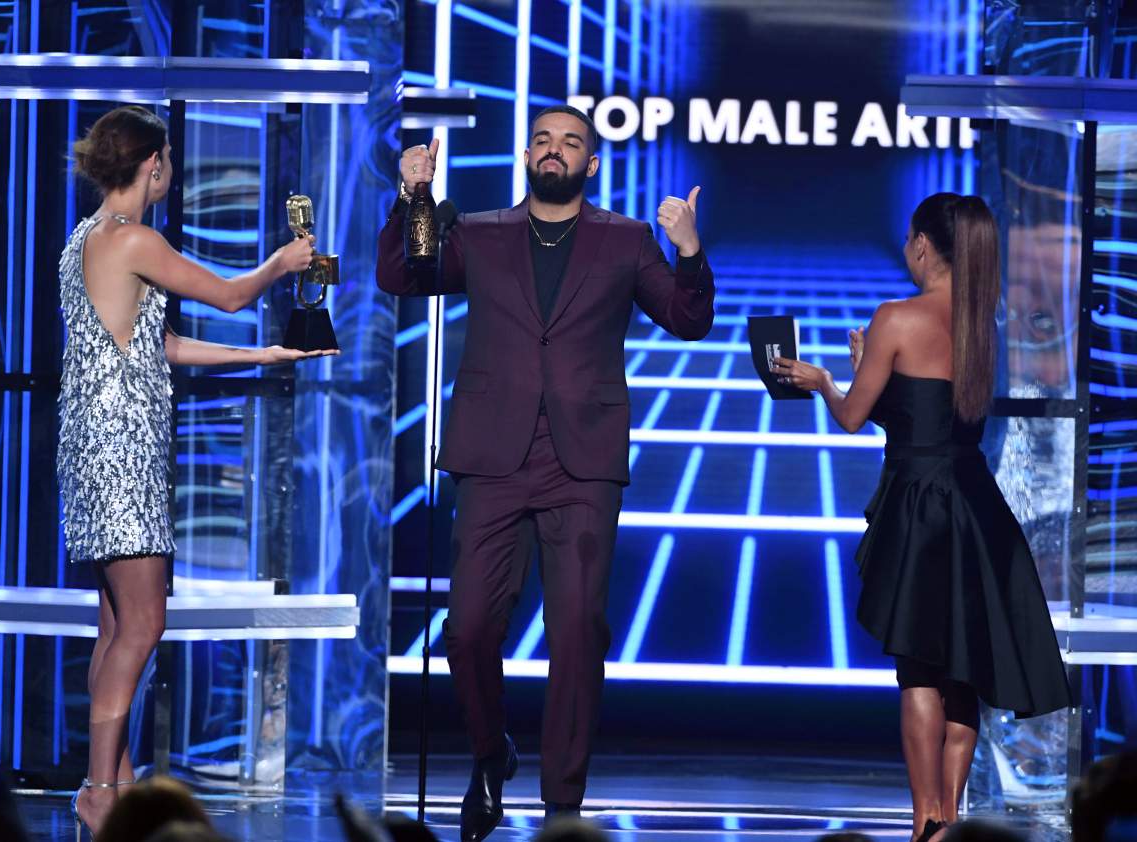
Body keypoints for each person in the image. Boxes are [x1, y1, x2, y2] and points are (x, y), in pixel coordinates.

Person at [377, 105, 714, 840]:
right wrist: (414, 197)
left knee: (577, 631)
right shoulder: (481, 233)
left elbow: (687, 320)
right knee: (467, 629)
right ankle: (489, 751)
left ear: (591, 164)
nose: (554, 150)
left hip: (582, 461)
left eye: (570, 143)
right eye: (542, 140)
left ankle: (564, 803)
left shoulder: (625, 239)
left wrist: (688, 251)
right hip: (492, 454)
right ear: (525, 156)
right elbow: (403, 275)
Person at [60, 105, 334, 839]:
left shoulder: (86, 238)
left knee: (117, 625)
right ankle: (98, 788)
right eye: (170, 161)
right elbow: (231, 295)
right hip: (121, 450)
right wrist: (282, 264)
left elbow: (163, 344)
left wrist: (263, 355)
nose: (172, 173)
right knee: (144, 622)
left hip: (97, 446)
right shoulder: (134, 238)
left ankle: (114, 782)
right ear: (154, 163)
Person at [771, 193, 1071, 842]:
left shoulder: (896, 317)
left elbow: (854, 418)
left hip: (920, 508)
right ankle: (950, 819)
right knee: (962, 670)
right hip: (977, 506)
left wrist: (827, 382)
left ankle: (924, 822)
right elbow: (930, 419)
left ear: (923, 247)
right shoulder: (982, 325)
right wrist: (873, 376)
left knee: (918, 672)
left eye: (910, 240)